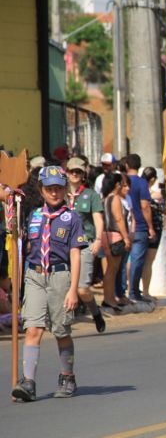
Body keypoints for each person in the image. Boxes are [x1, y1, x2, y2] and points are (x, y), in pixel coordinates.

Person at [11, 166, 87, 402]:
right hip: (34, 277)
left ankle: (67, 376)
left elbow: (75, 255)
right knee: (32, 329)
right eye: (49, 189)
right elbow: (21, 244)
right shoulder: (32, 215)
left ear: (65, 190)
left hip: (60, 277)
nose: (54, 193)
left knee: (61, 331)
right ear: (41, 190)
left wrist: (73, 289)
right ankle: (28, 382)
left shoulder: (71, 218)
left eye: (58, 188)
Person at [66, 157, 106, 333]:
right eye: (71, 171)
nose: (74, 175)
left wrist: (98, 240)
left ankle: (95, 312)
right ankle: (65, 324)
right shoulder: (58, 193)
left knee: (82, 289)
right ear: (66, 173)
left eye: (78, 172)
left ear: (83, 174)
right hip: (63, 246)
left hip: (84, 244)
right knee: (63, 287)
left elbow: (98, 218)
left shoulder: (90, 195)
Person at [125, 154, 155, 301]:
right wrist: (151, 227)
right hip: (140, 228)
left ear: (126, 166)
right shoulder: (142, 183)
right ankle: (134, 293)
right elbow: (145, 206)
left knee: (126, 261)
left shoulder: (123, 181)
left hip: (125, 228)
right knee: (137, 261)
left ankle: (126, 291)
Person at [101, 173, 132, 311]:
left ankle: (109, 298)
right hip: (116, 237)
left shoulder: (104, 199)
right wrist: (126, 238)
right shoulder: (115, 199)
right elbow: (119, 219)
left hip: (105, 236)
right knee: (112, 270)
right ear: (117, 185)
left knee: (110, 270)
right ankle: (109, 299)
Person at [141, 167, 166, 300]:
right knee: (147, 261)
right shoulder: (155, 195)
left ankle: (139, 291)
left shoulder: (138, 192)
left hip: (141, 229)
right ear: (154, 179)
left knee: (140, 260)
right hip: (152, 229)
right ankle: (144, 291)